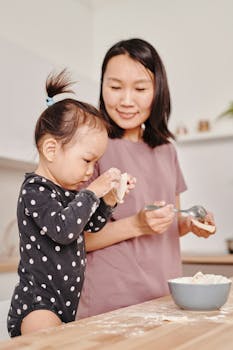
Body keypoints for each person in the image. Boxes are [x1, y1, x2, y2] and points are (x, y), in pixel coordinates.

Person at [76, 38, 216, 319]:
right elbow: (74, 238)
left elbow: (170, 223)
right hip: (109, 305)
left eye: (140, 88)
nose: (126, 100)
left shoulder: (166, 150)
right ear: (102, 87)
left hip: (164, 299)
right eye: (115, 87)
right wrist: (137, 225)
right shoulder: (89, 146)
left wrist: (190, 222)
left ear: (157, 90)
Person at [7, 69, 135, 337]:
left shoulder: (68, 191)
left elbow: (92, 225)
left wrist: (108, 199)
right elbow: (63, 229)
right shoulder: (35, 190)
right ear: (52, 150)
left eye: (95, 163)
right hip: (38, 304)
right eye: (87, 160)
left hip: (65, 304)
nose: (91, 171)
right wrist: (92, 192)